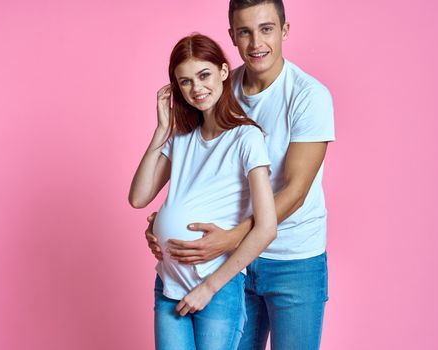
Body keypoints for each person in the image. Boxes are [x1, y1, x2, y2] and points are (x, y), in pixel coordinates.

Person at [144, 1, 336, 349]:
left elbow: (295, 191)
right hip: (229, 265)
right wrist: (164, 222)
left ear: (285, 31)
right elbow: (200, 167)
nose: (255, 42)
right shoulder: (217, 88)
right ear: (231, 36)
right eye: (245, 31)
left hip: (293, 261)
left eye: (266, 29)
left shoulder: (309, 96)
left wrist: (232, 237)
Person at [129, 33, 277, 350]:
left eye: (204, 75)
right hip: (169, 285)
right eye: (185, 82)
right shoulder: (181, 138)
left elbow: (266, 228)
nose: (197, 88)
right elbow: (138, 198)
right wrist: (160, 130)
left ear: (224, 71)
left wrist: (208, 288)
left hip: (216, 287)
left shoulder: (246, 138)